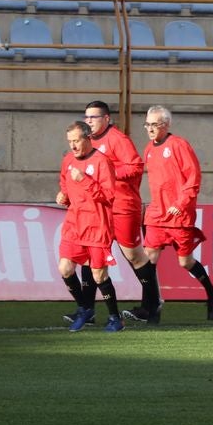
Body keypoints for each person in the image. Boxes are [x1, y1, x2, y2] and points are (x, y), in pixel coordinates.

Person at [60, 101, 160, 327]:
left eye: (94, 117)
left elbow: (135, 166)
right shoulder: (84, 146)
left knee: (134, 256)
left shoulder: (117, 139)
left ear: (106, 119)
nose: (90, 121)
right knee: (89, 258)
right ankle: (88, 310)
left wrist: (108, 171)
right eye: (87, 117)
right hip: (97, 211)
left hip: (122, 206)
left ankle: (152, 305)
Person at [141, 105, 213, 321]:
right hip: (157, 214)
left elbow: (193, 178)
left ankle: (212, 293)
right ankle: (151, 305)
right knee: (148, 259)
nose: (149, 129)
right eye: (147, 124)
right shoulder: (149, 149)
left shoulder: (179, 145)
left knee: (185, 262)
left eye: (154, 124)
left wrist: (181, 202)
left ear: (166, 125)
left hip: (179, 215)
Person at [57, 121, 124, 332]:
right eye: (70, 141)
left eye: (76, 141)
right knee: (65, 268)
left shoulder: (102, 162)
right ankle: (84, 308)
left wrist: (85, 180)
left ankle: (115, 318)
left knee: (98, 275)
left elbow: (108, 196)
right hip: (74, 224)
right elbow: (65, 184)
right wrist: (64, 196)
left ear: (88, 139)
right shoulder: (68, 160)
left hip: (97, 225)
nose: (73, 146)